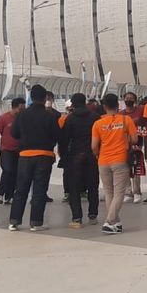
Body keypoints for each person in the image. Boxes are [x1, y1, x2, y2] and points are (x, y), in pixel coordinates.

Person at [8, 84, 61, 232]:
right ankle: (36, 222)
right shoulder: (49, 116)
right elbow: (57, 135)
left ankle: (14, 221)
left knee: (21, 189)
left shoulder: (22, 115)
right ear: (45, 99)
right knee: (39, 189)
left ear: (31, 98)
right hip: (44, 155)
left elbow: (14, 134)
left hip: (25, 156)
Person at [92, 93, 137, 234]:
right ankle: (109, 221)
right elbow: (135, 139)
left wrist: (98, 155)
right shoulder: (126, 120)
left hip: (103, 161)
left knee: (108, 191)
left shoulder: (98, 123)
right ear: (118, 105)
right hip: (120, 160)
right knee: (119, 193)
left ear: (104, 106)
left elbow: (94, 146)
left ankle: (116, 223)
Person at [57, 93, 99, 228]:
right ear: (85, 102)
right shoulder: (94, 117)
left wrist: (64, 157)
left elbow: (64, 140)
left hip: (75, 156)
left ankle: (77, 217)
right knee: (93, 186)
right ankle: (93, 214)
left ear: (73, 104)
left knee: (74, 188)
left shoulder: (70, 119)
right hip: (92, 155)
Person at [0, 97, 25, 205]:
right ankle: (0, 192)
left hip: (20, 151)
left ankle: (9, 195)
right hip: (6, 150)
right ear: (14, 108)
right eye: (21, 109)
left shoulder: (23, 119)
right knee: (8, 170)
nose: (22, 111)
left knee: (16, 173)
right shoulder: (3, 118)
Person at [120, 92, 144, 203]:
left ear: (135, 100)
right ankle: (128, 192)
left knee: (136, 168)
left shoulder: (140, 110)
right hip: (124, 144)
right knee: (125, 168)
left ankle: (137, 192)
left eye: (131, 98)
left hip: (137, 143)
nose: (128, 100)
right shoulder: (121, 114)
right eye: (127, 98)